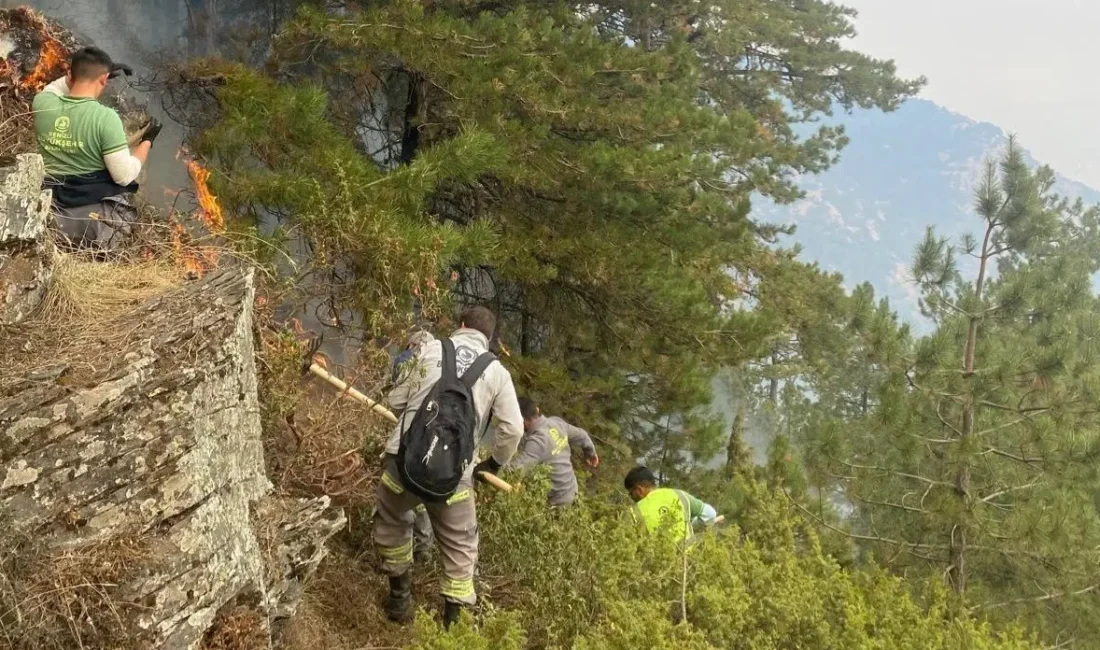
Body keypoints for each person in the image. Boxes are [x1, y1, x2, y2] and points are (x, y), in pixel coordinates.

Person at [373, 307, 524, 627]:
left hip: (404, 462)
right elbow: (513, 429)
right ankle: (451, 625)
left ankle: (399, 599)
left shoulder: (430, 348)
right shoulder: (497, 373)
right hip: (454, 479)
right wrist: (493, 464)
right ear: (489, 338)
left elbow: (396, 401)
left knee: (393, 522)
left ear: (461, 325)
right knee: (460, 548)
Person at [33, 47, 162, 248]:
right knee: (124, 203)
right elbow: (125, 175)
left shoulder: (43, 103)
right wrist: (147, 142)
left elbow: (60, 84)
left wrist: (92, 71)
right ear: (104, 80)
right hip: (90, 222)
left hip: (49, 210)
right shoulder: (105, 118)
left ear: (70, 75)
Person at [388, 328, 438, 564]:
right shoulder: (445, 362)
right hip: (437, 445)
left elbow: (396, 399)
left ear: (412, 345)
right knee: (423, 497)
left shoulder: (408, 359)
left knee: (401, 498)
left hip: (408, 439)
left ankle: (408, 552)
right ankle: (424, 547)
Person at [506, 397, 599, 507]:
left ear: (521, 420)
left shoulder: (538, 442)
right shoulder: (556, 422)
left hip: (558, 502)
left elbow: (514, 470)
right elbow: (582, 435)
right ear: (537, 409)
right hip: (573, 490)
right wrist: (590, 453)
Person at [624, 466, 717, 543]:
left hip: (661, 563)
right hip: (690, 560)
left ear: (639, 490)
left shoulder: (634, 513)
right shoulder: (679, 495)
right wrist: (691, 525)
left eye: (631, 493)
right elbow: (710, 514)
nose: (631, 497)